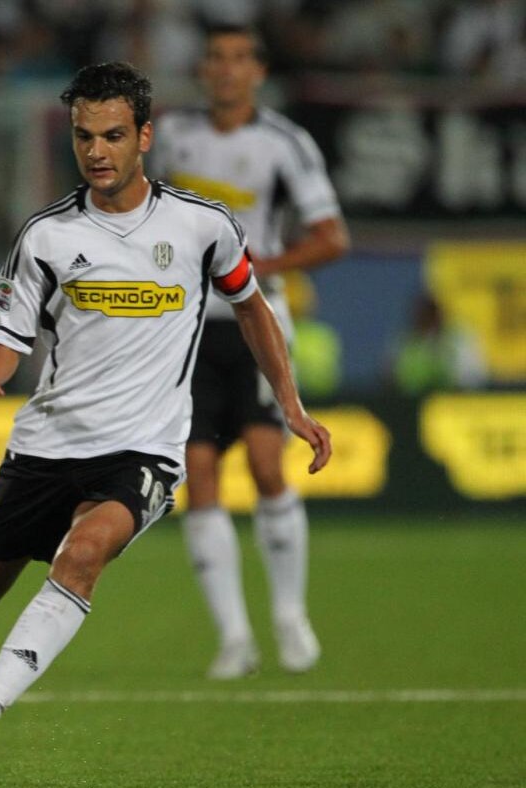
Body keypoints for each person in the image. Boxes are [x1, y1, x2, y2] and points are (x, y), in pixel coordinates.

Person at [0, 62, 332, 774]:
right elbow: (10, 338)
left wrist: (291, 404)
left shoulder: (203, 227)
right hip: (47, 443)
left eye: (112, 135)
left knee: (83, 558)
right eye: (84, 137)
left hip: (144, 450)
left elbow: (253, 307)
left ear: (144, 136)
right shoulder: (46, 237)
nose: (97, 152)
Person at [146, 24, 350, 679]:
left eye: (239, 59)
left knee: (267, 464)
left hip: (258, 318)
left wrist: (266, 264)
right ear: (202, 69)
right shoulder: (173, 137)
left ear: (258, 71)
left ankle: (289, 615)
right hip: (190, 328)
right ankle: (234, 637)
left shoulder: (284, 143)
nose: (226, 70)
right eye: (215, 58)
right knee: (198, 474)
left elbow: (332, 237)